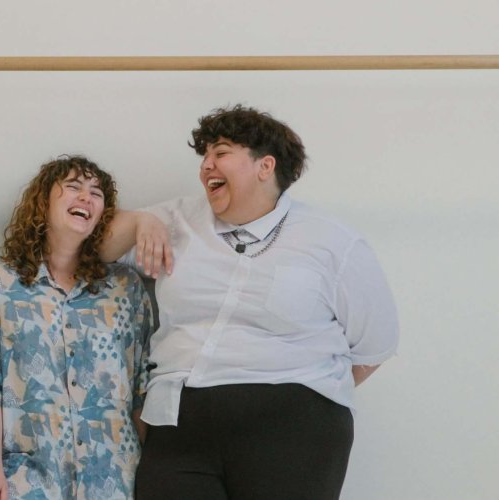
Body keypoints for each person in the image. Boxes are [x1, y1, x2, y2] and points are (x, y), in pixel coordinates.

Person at [104, 105, 400, 500]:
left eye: (221, 152)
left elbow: (375, 344)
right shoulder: (176, 219)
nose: (206, 165)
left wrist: (306, 395)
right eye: (204, 155)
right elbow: (92, 246)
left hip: (294, 427)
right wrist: (139, 221)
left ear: (265, 166)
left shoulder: (332, 241)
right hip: (179, 422)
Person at [0, 156, 154, 500]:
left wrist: (149, 472)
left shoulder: (126, 288)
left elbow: (141, 387)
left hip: (115, 479)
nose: (86, 197)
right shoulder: (2, 284)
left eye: (96, 193)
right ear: (43, 203)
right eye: (73, 187)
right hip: (31, 479)